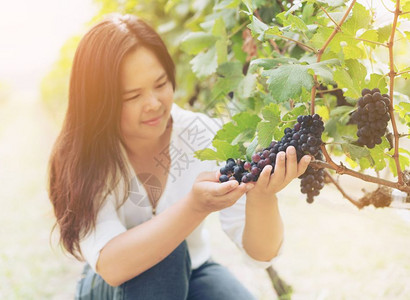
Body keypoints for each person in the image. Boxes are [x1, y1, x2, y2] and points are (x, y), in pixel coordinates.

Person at [47, 13, 311, 300]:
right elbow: (111, 265)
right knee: (166, 259)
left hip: (194, 270)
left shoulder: (202, 133)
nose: (153, 104)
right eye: (132, 96)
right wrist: (193, 208)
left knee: (185, 265)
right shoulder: (82, 157)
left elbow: (262, 254)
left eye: (160, 84)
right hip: (114, 287)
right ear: (99, 102)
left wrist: (262, 196)